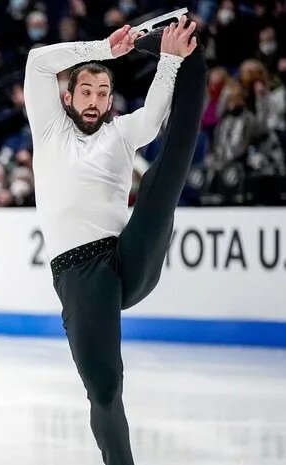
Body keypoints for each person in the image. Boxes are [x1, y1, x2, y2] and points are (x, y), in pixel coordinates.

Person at [24, 14, 207, 465]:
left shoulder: (120, 134)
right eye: (86, 92)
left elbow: (156, 115)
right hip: (80, 276)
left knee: (162, 181)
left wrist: (168, 61)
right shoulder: (49, 132)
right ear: (67, 97)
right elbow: (36, 61)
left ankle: (193, 64)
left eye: (102, 93)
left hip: (127, 259)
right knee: (105, 388)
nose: (94, 101)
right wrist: (103, 49)